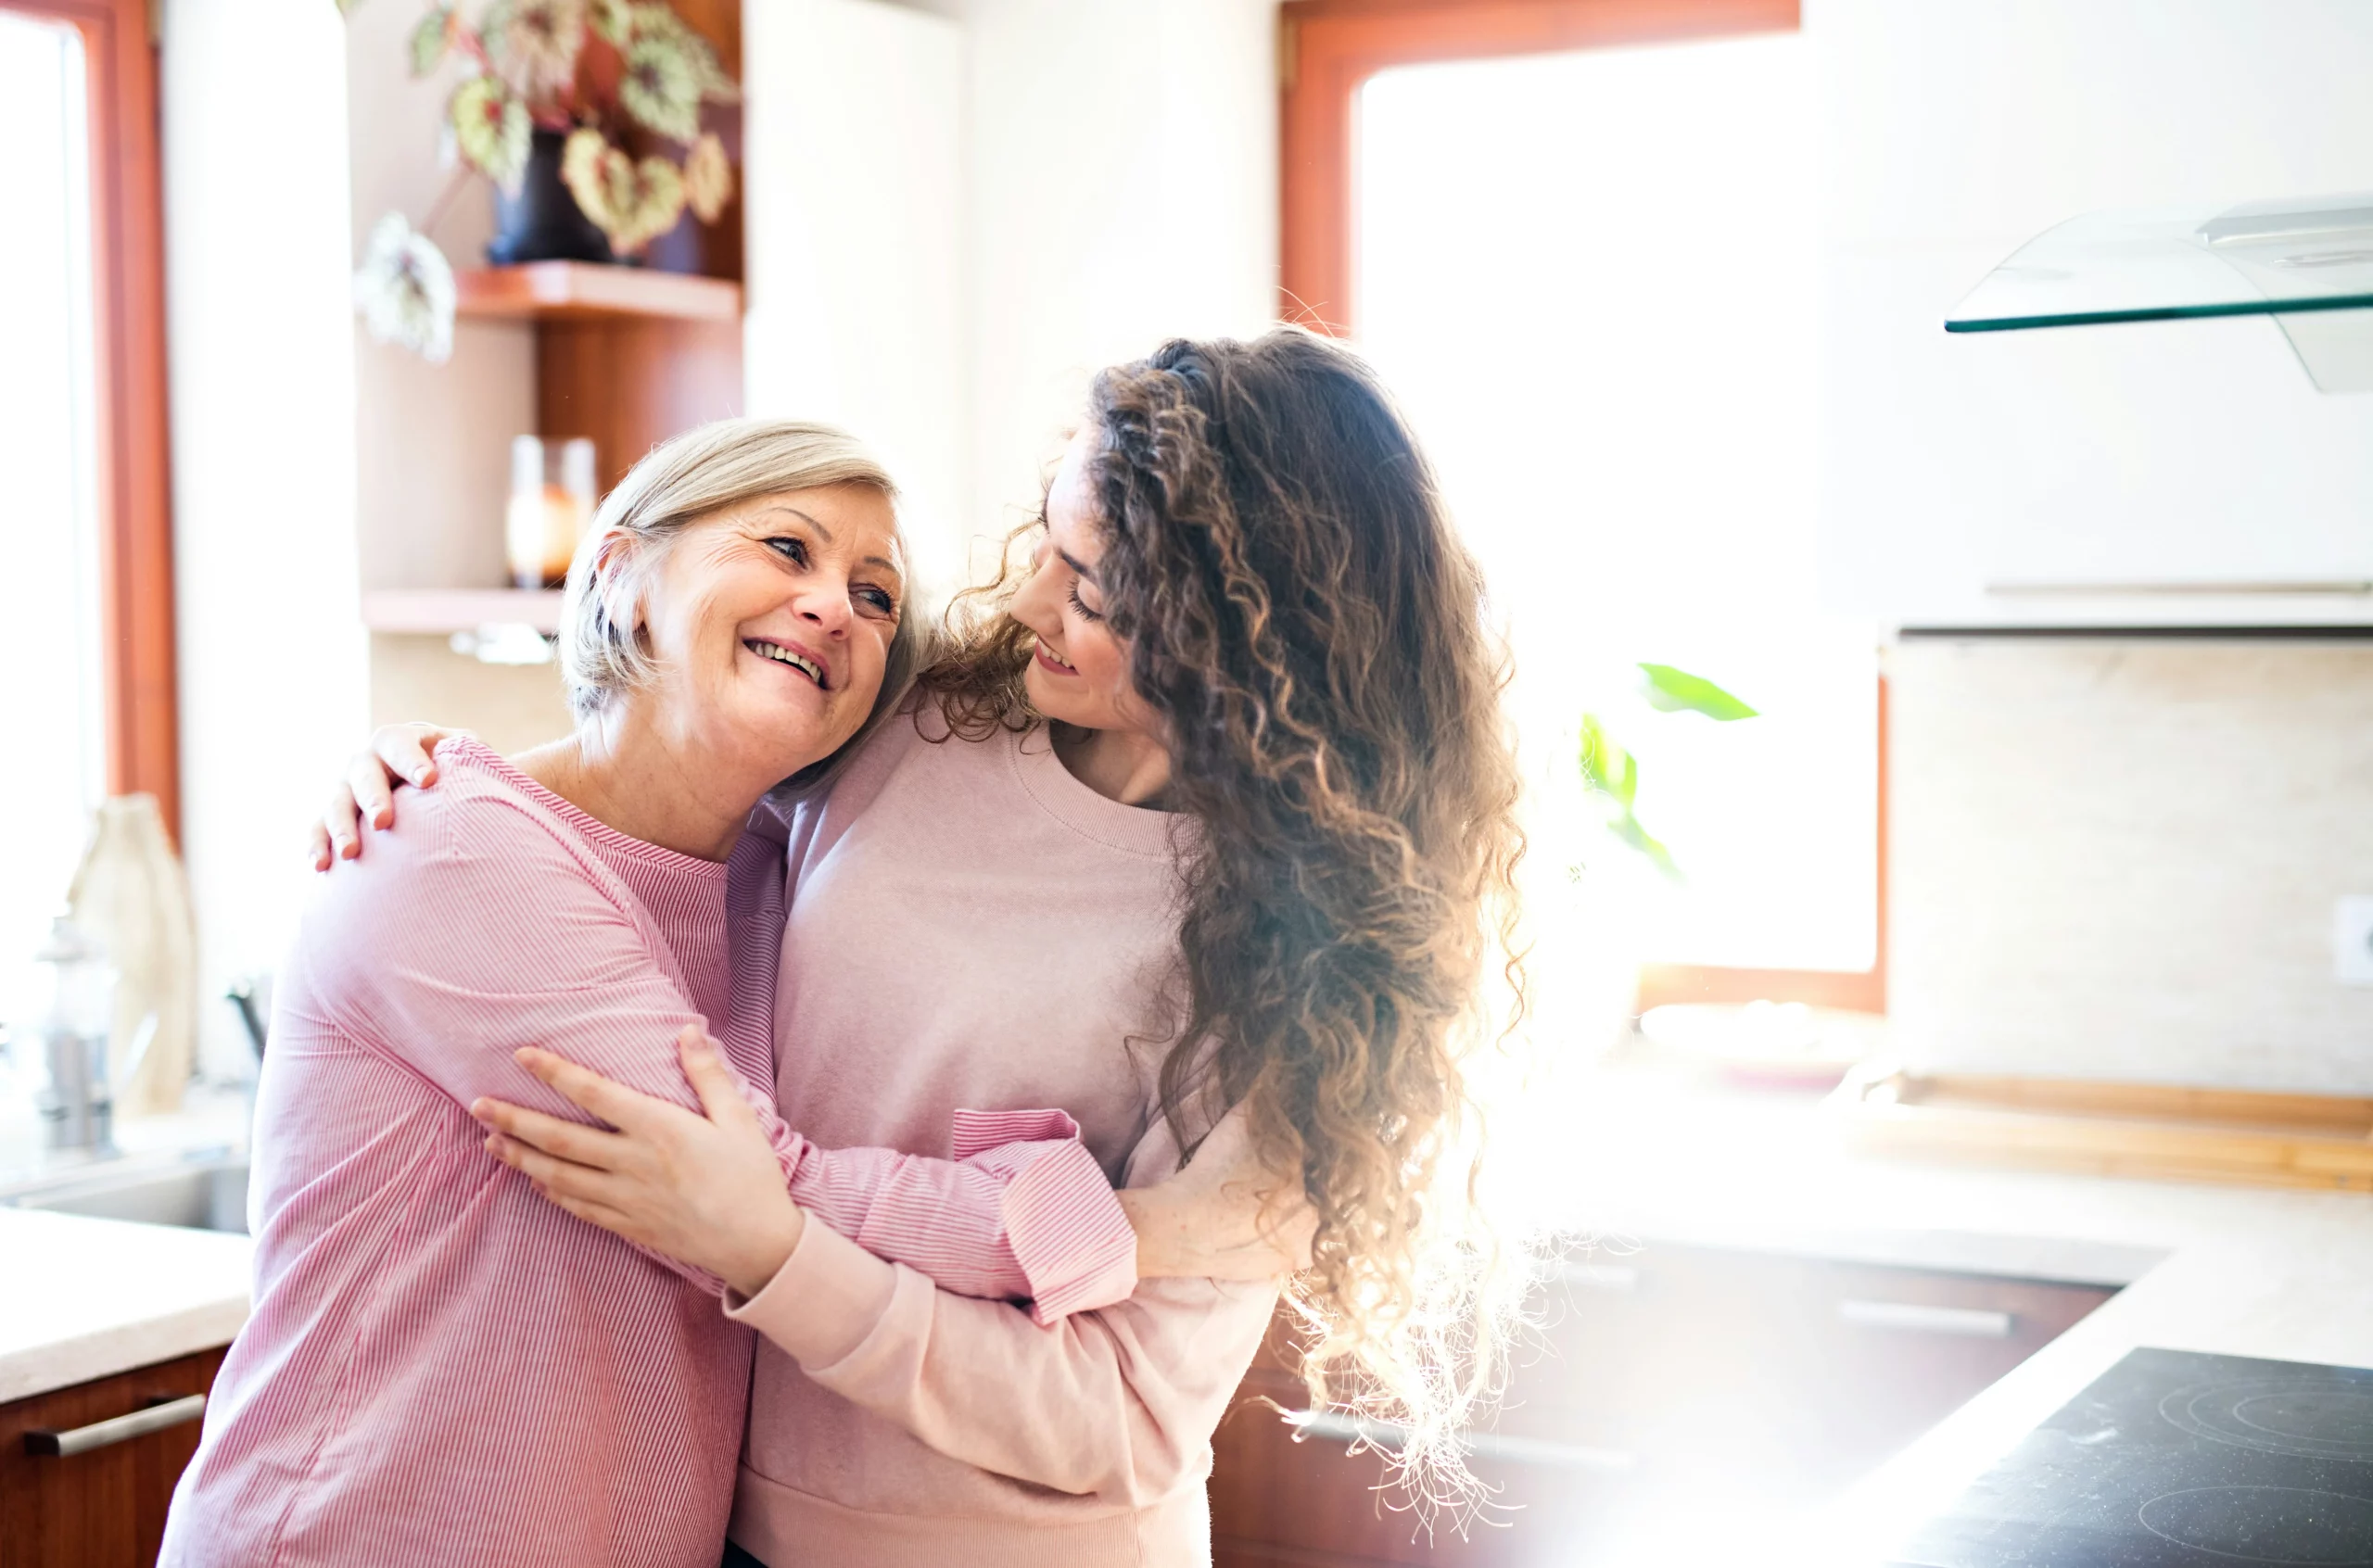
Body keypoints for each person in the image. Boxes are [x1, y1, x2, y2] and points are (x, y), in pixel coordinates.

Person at [323, 328, 1525, 1567]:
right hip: (737, 1530)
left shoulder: (1304, 963)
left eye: (1094, 596)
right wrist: (438, 770)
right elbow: (679, 783)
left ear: (1236, 649)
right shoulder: (932, 719)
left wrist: (779, 1251)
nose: (1025, 604)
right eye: (1051, 546)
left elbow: (1124, 1425)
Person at [169, 421, 1292, 1568]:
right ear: (620, 578)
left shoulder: (770, 879)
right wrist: (1151, 1228)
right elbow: (760, 1194)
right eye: (785, 548)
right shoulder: (449, 846)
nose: (834, 606)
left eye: (874, 594)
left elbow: (760, 1207)